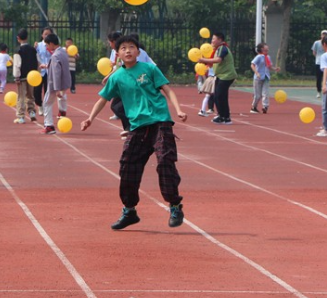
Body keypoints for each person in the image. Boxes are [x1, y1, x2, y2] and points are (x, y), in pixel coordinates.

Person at [81, 35, 187, 230]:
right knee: (127, 166)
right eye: (123, 48)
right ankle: (129, 211)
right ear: (118, 53)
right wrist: (90, 118)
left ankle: (174, 206)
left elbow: (167, 90)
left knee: (165, 160)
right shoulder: (117, 77)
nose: (128, 50)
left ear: (139, 52)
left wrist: (178, 109)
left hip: (160, 122)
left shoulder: (149, 69)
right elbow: (103, 99)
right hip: (137, 127)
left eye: (132, 47)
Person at [198, 32, 237, 125]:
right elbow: (213, 63)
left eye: (213, 39)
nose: (212, 41)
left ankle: (223, 116)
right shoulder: (217, 49)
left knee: (219, 96)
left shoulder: (222, 48)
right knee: (220, 96)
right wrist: (204, 62)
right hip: (221, 75)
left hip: (226, 75)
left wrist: (204, 60)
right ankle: (224, 117)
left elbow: (218, 60)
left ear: (219, 40)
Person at [40, 34, 71, 134]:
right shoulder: (63, 52)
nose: (46, 47)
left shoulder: (55, 55)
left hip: (55, 84)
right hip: (64, 83)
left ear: (52, 44)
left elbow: (57, 72)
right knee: (52, 100)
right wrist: (46, 66)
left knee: (47, 103)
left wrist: (57, 88)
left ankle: (49, 126)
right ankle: (61, 110)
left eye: (47, 45)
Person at [12, 29, 38, 124]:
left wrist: (17, 77)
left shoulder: (18, 50)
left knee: (21, 96)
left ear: (18, 38)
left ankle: (21, 116)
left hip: (22, 77)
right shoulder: (33, 49)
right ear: (27, 37)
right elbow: (37, 61)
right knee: (30, 95)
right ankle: (31, 112)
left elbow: (17, 65)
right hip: (32, 77)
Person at [250, 43, 280, 114]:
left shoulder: (268, 57)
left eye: (267, 48)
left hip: (266, 77)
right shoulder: (258, 57)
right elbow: (252, 65)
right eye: (265, 48)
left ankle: (265, 106)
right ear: (261, 49)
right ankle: (254, 107)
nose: (267, 49)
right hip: (258, 78)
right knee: (258, 95)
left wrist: (275, 69)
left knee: (265, 93)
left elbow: (269, 66)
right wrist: (257, 73)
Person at [34, 27, 54, 116]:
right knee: (37, 91)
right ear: (42, 35)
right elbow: (35, 56)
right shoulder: (38, 45)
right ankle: (39, 105)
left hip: (49, 71)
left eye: (49, 34)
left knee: (47, 91)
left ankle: (46, 108)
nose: (47, 36)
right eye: (45, 34)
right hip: (40, 71)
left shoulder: (53, 46)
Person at [311, 30, 327, 99]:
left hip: (325, 63)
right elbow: (314, 52)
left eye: (325, 34)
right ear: (321, 35)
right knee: (319, 78)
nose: (324, 35)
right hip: (318, 63)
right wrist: (318, 58)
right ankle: (318, 91)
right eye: (323, 34)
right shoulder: (316, 43)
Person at [318, 36, 327, 137]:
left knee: (325, 108)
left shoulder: (324, 56)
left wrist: (324, 84)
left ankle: (325, 129)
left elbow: (325, 70)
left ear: (324, 45)